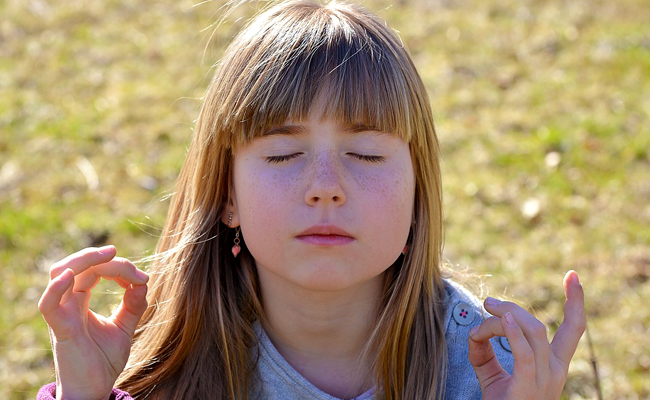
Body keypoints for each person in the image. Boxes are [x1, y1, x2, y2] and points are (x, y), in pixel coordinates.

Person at [37, 1, 586, 399]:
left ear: (420, 190)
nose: (326, 184)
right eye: (281, 155)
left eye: (367, 154)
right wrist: (86, 393)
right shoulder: (156, 370)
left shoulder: (492, 374)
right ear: (227, 194)